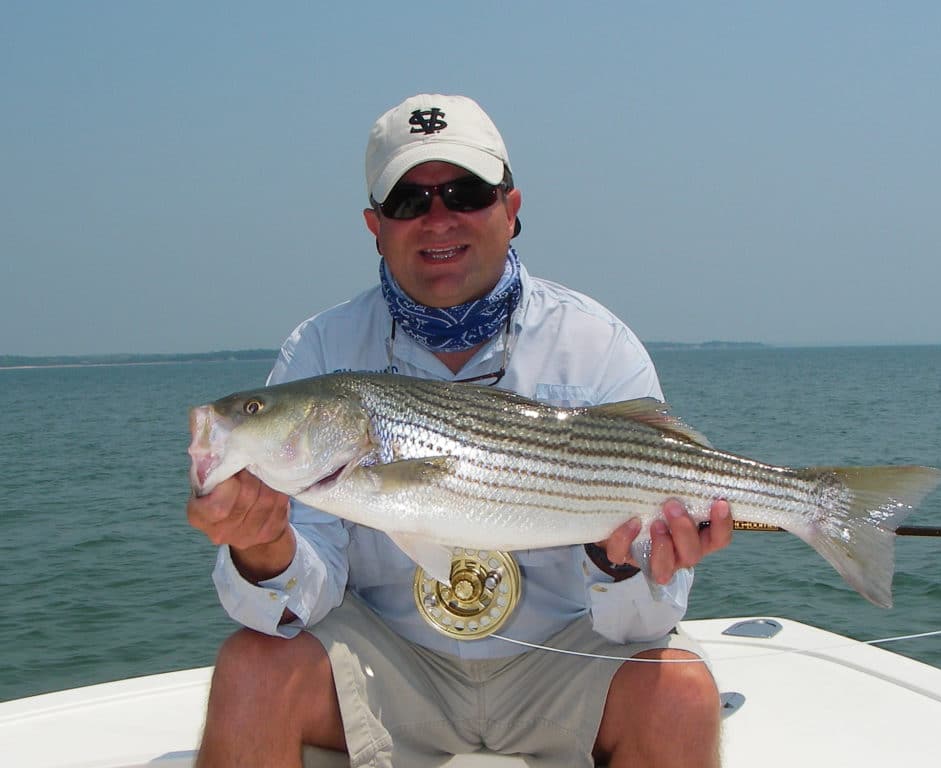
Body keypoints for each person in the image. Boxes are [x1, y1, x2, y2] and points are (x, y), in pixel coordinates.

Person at [187, 93, 734, 768]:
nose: (438, 218)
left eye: (465, 192)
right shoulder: (322, 350)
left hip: (562, 658)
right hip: (394, 661)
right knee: (252, 668)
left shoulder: (597, 347)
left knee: (680, 693)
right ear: (374, 225)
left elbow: (645, 624)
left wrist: (617, 558)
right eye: (408, 202)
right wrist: (264, 546)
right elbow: (302, 596)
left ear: (511, 208)